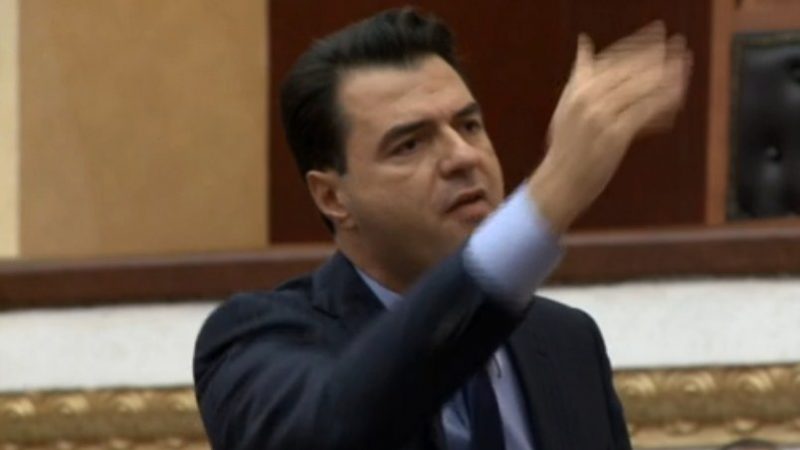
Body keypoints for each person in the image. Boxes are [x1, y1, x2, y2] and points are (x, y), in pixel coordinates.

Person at [193, 7, 691, 450]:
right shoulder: (255, 343)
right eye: (409, 144)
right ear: (332, 197)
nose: (462, 156)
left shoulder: (567, 342)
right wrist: (553, 191)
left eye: (469, 125)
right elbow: (339, 425)